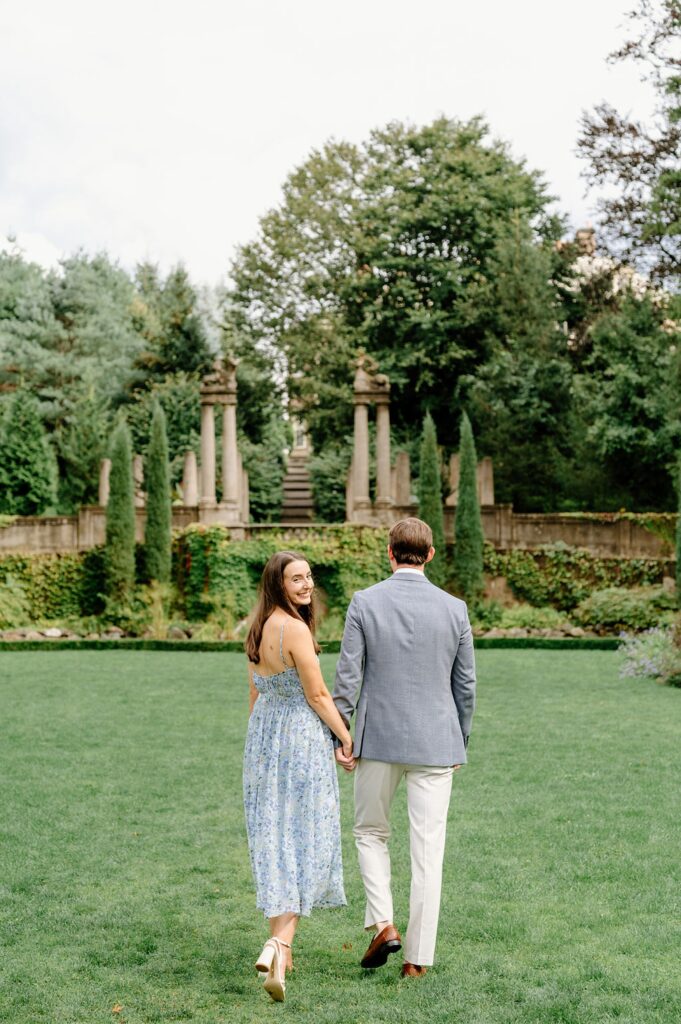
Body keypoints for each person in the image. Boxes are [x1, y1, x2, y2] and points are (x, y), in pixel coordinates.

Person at [333, 517, 476, 978]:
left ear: (389, 552)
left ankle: (384, 924)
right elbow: (466, 685)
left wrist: (341, 732)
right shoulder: (455, 608)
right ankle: (416, 960)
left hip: (378, 739)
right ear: (430, 554)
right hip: (437, 741)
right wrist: (461, 739)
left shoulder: (364, 602)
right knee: (427, 850)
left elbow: (347, 677)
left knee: (370, 832)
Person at [243, 551, 354, 1002]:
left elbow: (254, 695)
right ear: (278, 585)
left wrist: (258, 754)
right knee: (307, 840)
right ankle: (279, 943)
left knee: (277, 841)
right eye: (297, 580)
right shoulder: (296, 630)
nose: (307, 585)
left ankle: (281, 957)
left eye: (309, 577)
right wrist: (345, 738)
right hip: (300, 743)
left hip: (264, 741)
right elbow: (319, 694)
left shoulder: (257, 628)